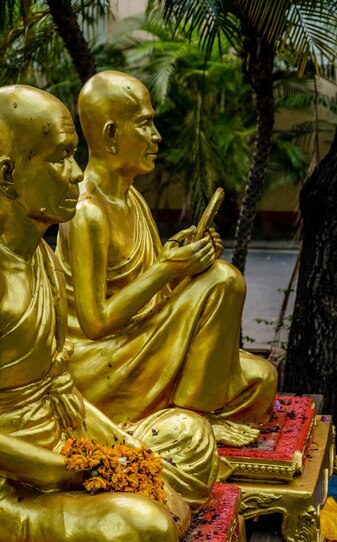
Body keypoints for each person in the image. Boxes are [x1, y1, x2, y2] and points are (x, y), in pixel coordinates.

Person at [0, 85, 219, 542]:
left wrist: (125, 456)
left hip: (60, 445)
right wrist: (72, 474)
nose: (79, 173)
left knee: (190, 440)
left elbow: (61, 386)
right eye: (61, 157)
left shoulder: (37, 250)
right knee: (148, 539)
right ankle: (122, 520)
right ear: (9, 174)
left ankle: (122, 505)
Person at [57, 70, 278, 447]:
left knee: (264, 379)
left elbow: (145, 290)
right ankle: (195, 418)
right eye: (144, 124)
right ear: (111, 136)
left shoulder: (131, 198)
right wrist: (167, 269)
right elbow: (95, 323)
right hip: (101, 362)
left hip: (137, 341)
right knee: (223, 281)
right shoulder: (87, 211)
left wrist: (180, 263)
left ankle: (192, 410)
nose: (156, 137)